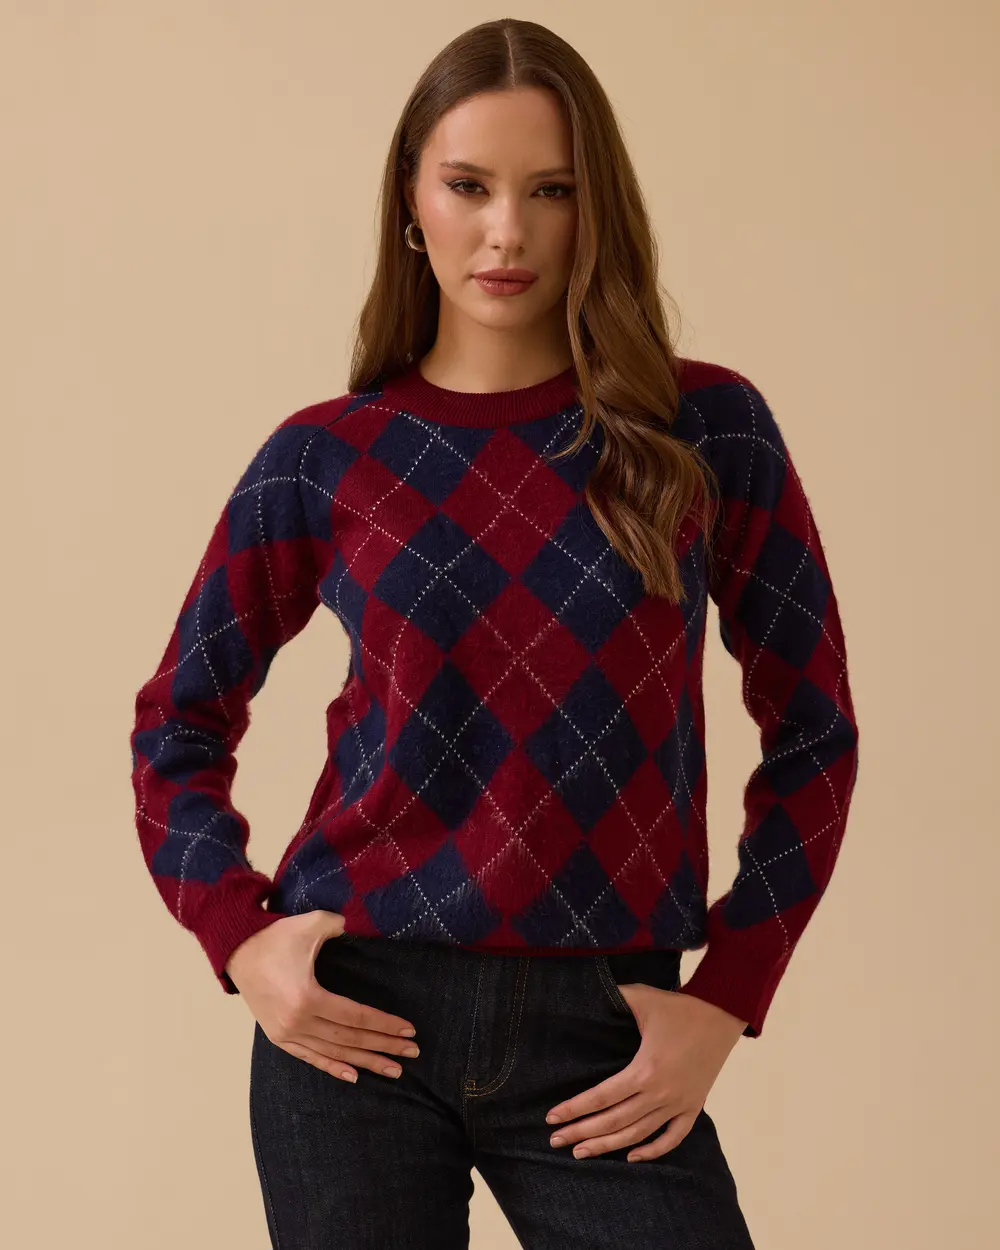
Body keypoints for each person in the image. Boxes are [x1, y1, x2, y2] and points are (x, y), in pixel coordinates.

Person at [129, 17, 859, 1249]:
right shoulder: (326, 455)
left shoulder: (706, 429)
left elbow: (814, 731)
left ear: (595, 207)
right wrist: (239, 937)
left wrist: (730, 992)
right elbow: (176, 722)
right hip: (356, 1020)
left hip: (605, 1029)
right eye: (468, 186)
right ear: (412, 206)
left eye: (550, 190)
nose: (507, 231)